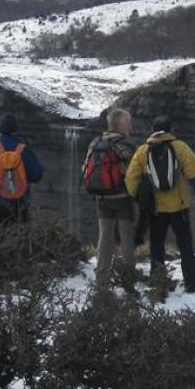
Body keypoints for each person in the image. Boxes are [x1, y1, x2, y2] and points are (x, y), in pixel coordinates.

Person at [126, 115, 195, 292]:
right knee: (185, 244)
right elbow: (194, 170)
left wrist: (139, 198)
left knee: (156, 245)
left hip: (156, 209)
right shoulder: (179, 147)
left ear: (152, 130)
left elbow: (131, 179)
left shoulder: (143, 151)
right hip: (179, 206)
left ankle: (157, 280)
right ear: (171, 129)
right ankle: (192, 283)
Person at [85, 108, 137, 288]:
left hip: (101, 198)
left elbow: (85, 168)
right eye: (129, 123)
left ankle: (101, 280)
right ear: (122, 124)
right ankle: (129, 282)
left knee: (105, 236)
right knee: (126, 239)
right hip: (122, 198)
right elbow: (135, 171)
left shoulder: (95, 142)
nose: (131, 127)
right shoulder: (125, 144)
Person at [0, 114, 44, 227]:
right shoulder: (25, 151)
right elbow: (37, 175)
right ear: (16, 130)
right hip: (20, 203)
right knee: (19, 239)